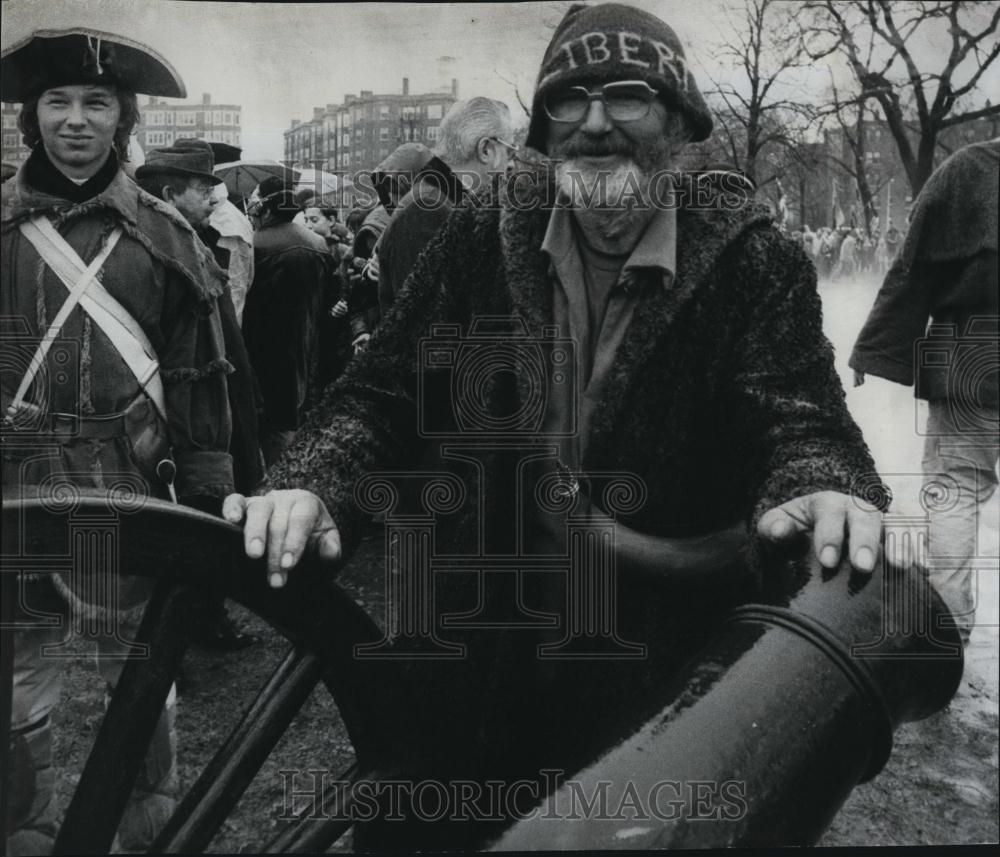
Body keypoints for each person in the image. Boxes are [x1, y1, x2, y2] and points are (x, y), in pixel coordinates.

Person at [225, 3, 884, 846]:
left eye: (628, 97)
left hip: (658, 675)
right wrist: (311, 481)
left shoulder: (754, 266)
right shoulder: (479, 238)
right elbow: (380, 393)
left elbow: (800, 420)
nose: (596, 123)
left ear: (679, 121)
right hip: (474, 646)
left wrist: (822, 486)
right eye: (570, 99)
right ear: (543, 126)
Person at [1, 28, 235, 852]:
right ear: (32, 116)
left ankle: (147, 834)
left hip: (122, 483)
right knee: (18, 685)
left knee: (138, 677)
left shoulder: (166, 237)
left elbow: (201, 378)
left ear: (121, 118)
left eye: (95, 102)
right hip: (13, 489)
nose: (74, 119)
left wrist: (207, 493)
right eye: (57, 101)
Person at [850, 139, 999, 645]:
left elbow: (914, 266)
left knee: (956, 489)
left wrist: (876, 349)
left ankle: (949, 630)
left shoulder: (968, 170)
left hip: (968, 355)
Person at [136, 140, 263, 650]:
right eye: (202, 188)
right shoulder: (159, 251)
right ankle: (182, 630)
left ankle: (203, 618)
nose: (214, 197)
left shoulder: (198, 240)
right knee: (187, 519)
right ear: (170, 193)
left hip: (213, 407)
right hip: (181, 421)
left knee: (209, 514)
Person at [376, 97, 514, 318]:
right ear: (486, 149)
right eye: (511, 151)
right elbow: (429, 330)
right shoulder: (427, 210)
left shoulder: (440, 203)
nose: (512, 164)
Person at [241, 176, 333, 466]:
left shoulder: (254, 244)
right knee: (290, 422)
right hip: (306, 344)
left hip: (259, 348)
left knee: (264, 427)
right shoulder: (318, 243)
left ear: (265, 209)